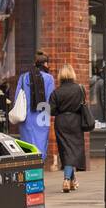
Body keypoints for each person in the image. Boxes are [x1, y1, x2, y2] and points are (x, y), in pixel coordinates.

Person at [49, 65, 88, 193]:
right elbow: (83, 104)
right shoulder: (80, 89)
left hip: (61, 122)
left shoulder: (56, 92)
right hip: (76, 122)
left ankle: (72, 180)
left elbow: (51, 110)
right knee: (73, 150)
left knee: (65, 150)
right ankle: (67, 179)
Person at [14, 51, 55, 160]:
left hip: (26, 116)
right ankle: (38, 169)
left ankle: (29, 169)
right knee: (41, 145)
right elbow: (50, 99)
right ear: (45, 64)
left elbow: (17, 98)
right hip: (42, 115)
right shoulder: (49, 78)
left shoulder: (23, 77)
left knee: (27, 145)